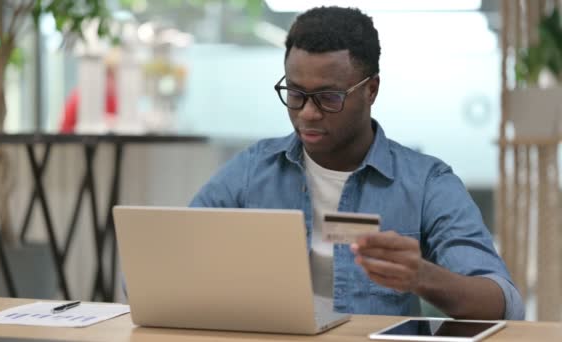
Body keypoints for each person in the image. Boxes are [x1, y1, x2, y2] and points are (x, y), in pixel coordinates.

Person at [190, 6, 524, 320]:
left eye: (328, 97)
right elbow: (177, 256)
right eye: (295, 94)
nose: (307, 112)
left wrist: (423, 277)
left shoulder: (426, 182)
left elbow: (504, 303)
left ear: (371, 90)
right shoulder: (253, 170)